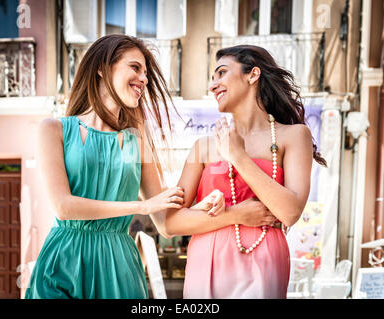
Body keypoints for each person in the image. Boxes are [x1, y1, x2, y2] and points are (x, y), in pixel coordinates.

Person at [25, 34, 217, 299]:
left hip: (118, 266)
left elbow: (165, 223)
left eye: (146, 73)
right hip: (63, 262)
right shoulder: (53, 129)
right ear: (103, 68)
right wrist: (142, 207)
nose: (144, 79)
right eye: (135, 67)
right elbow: (64, 206)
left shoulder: (136, 139)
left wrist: (212, 209)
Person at [166, 45, 327, 299]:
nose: (213, 85)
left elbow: (289, 212)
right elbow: (172, 222)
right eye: (212, 78)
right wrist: (235, 214)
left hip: (264, 257)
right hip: (206, 261)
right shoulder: (203, 146)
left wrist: (238, 156)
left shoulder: (294, 136)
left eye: (221, 73)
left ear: (253, 75)